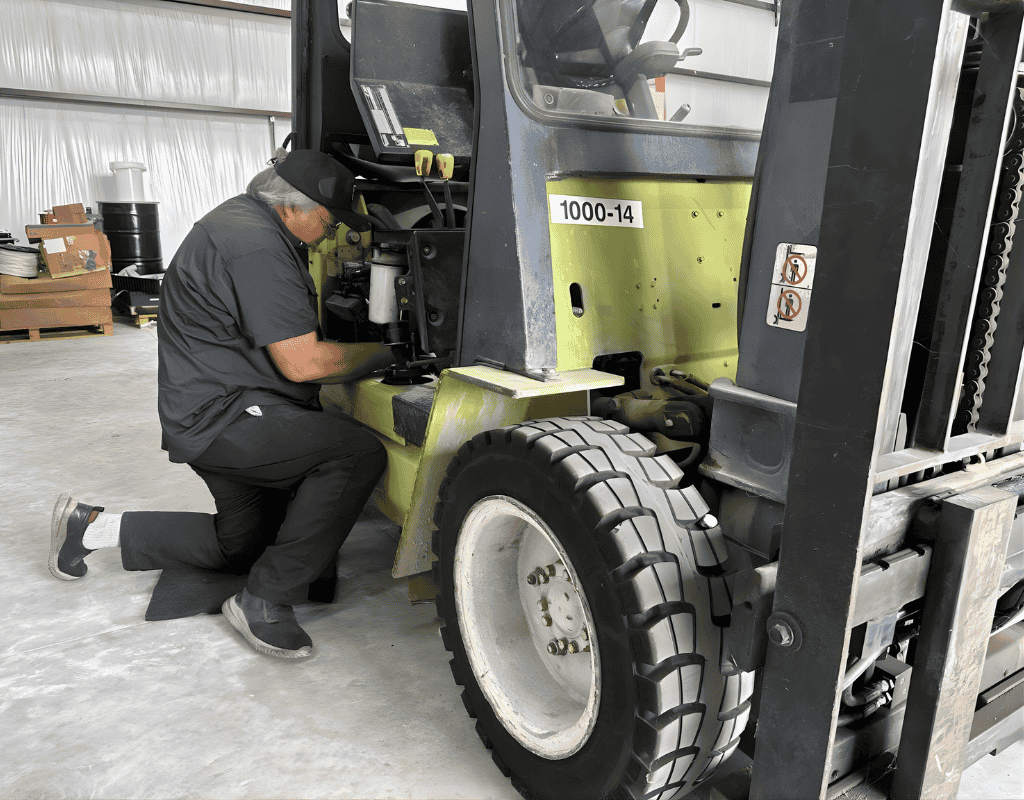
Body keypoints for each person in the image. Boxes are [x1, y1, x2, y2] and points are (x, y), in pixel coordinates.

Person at [47, 149, 393, 659]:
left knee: (249, 548)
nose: (335, 230)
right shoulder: (256, 246)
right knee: (355, 452)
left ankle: (93, 527)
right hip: (226, 416)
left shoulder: (244, 220)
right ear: (292, 207)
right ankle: (264, 602)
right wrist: (391, 354)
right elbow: (305, 364)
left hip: (211, 407)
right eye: (330, 217)